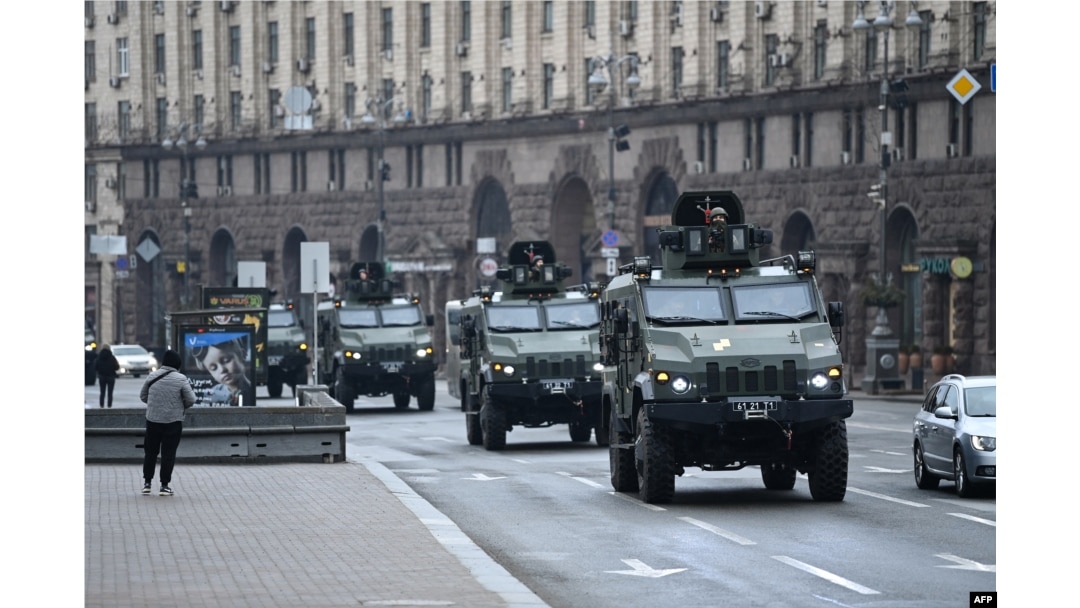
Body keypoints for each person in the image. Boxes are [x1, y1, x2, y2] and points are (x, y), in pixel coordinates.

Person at [140, 350, 196, 497]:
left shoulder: (152, 376)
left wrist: (155, 405)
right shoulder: (181, 378)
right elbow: (191, 399)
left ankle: (147, 484)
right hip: (173, 421)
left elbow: (143, 396)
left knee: (150, 452)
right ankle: (164, 486)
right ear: (178, 364)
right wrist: (179, 407)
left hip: (152, 420)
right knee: (168, 454)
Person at [193, 338, 253, 407]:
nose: (222, 370)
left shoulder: (251, 389)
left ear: (243, 354)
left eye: (226, 360)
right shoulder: (213, 392)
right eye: (214, 368)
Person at [94, 344, 120, 408]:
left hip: (102, 376)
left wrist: (100, 371)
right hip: (111, 376)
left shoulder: (99, 357)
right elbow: (117, 367)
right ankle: (109, 405)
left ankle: (102, 405)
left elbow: (95, 366)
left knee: (102, 392)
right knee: (110, 393)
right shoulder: (112, 357)